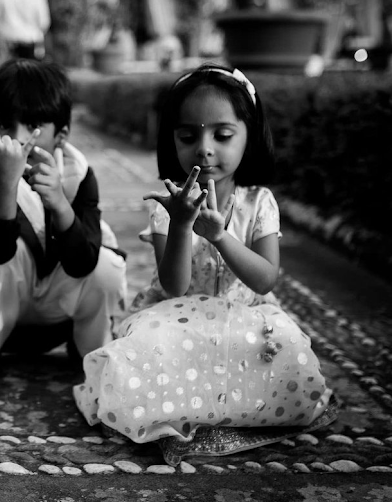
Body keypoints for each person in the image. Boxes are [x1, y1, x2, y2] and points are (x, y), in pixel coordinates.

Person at [73, 64, 336, 465]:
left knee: (283, 346)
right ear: (171, 140)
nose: (205, 147)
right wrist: (182, 224)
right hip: (174, 318)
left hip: (246, 315)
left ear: (249, 134)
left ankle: (218, 401)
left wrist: (220, 236)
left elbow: (264, 278)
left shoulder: (258, 202)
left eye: (223, 134)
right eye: (188, 136)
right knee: (154, 348)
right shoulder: (168, 208)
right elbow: (175, 286)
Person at [0, 58, 128, 385]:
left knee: (106, 264)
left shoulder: (79, 175)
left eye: (33, 125)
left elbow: (83, 263)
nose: (17, 139)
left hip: (62, 316)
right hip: (9, 318)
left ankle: (91, 349)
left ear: (61, 135)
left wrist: (60, 205)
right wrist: (5, 183)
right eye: (6, 126)